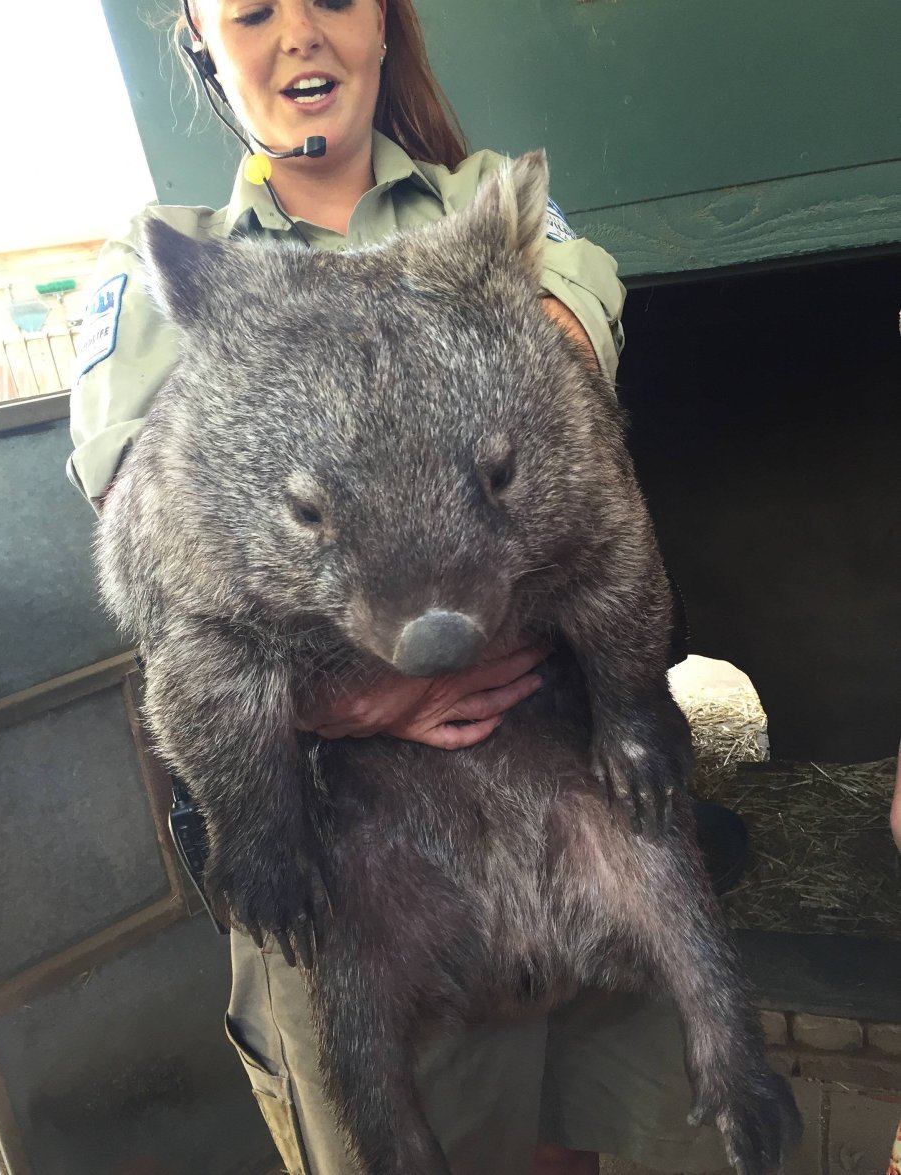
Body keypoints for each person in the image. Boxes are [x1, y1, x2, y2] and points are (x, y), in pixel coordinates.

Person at [68, 3, 734, 1173]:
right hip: (345, 827)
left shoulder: (489, 207)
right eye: (252, 11)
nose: (298, 36)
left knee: (621, 1131)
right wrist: (348, 702)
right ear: (201, 44)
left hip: (560, 771)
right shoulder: (166, 260)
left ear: (386, 22)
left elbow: (573, 422)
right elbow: (156, 564)